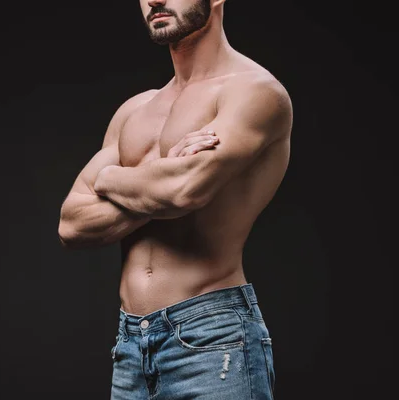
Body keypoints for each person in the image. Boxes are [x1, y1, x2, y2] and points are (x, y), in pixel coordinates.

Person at [58, 0, 292, 398]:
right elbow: (71, 224)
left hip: (213, 337)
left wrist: (110, 177)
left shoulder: (254, 92)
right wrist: (163, 179)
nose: (155, 0)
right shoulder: (136, 110)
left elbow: (185, 190)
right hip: (130, 346)